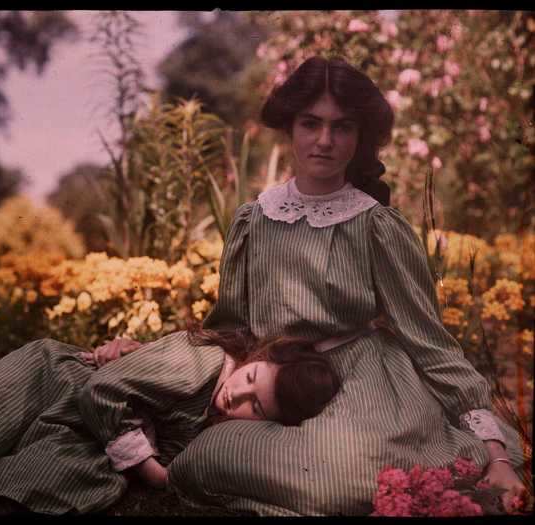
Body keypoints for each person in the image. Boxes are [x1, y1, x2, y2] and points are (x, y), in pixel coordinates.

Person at [163, 56, 528, 516]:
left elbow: (430, 342)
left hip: (360, 387)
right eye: (310, 123)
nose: (324, 141)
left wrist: (494, 451)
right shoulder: (253, 219)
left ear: (359, 138)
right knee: (209, 454)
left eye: (342, 127)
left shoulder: (375, 225)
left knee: (344, 479)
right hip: (272, 386)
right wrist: (152, 354)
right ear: (289, 128)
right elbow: (230, 327)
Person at [0, 327, 339, 515]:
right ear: (255, 356)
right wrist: (151, 471)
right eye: (251, 377)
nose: (238, 396)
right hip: (49, 386)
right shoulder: (203, 364)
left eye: (256, 406)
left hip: (76, 427)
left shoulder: (219, 418)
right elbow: (103, 389)